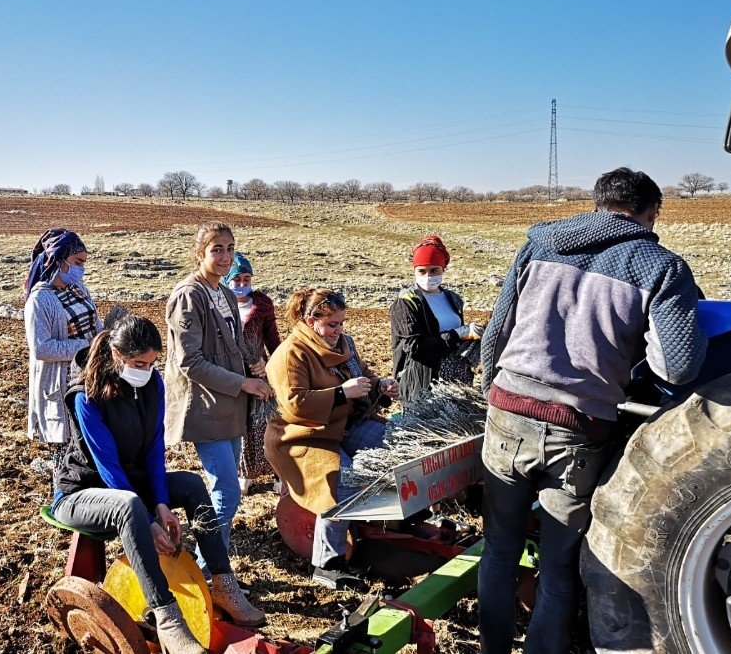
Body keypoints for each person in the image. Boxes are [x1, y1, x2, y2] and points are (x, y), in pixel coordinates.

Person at [477, 167, 707, 654]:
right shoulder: (660, 266)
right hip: (575, 431)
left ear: (598, 202)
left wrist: (490, 394)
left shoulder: (539, 244)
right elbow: (680, 367)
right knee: (558, 567)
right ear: (652, 213)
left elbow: (497, 331)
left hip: (506, 414)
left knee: (499, 549)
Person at [52, 315, 265, 654]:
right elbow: (108, 466)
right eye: (139, 363)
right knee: (127, 504)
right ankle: (167, 617)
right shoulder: (86, 394)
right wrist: (149, 520)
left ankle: (223, 583)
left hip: (132, 484)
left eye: (152, 363)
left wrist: (162, 502)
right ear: (116, 353)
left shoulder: (152, 385)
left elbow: (154, 448)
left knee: (192, 485)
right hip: (83, 491)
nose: (146, 370)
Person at [264, 288, 399, 590]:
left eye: (341, 323)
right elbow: (294, 404)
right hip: (301, 436)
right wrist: (341, 393)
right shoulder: (291, 353)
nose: (339, 331)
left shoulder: (344, 344)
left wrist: (380, 386)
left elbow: (361, 374)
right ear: (311, 321)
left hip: (343, 425)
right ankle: (327, 562)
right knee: (343, 477)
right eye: (332, 325)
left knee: (396, 443)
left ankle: (386, 521)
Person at [164, 222, 271, 571]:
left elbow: (234, 342)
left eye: (230, 248)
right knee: (227, 491)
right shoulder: (188, 295)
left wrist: (253, 362)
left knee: (223, 489)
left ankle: (216, 567)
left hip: (230, 407)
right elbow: (190, 362)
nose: (226, 257)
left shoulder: (223, 293)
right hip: (206, 407)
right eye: (217, 249)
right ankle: (203, 568)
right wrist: (242, 383)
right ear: (200, 254)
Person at [24, 229, 101, 447]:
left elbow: (95, 323)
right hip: (61, 386)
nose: (81, 269)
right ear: (58, 259)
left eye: (83, 263)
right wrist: (86, 346)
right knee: (67, 457)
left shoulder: (79, 289)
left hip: (88, 380)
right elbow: (41, 349)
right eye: (77, 262)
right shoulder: (40, 300)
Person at [390, 235, 482, 403]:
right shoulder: (407, 302)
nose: (428, 276)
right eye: (422, 271)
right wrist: (457, 334)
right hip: (423, 380)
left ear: (443, 269)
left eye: (434, 270)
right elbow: (415, 347)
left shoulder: (453, 299)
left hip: (455, 376)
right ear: (414, 270)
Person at [225, 252, 281, 494]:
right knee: (241, 424)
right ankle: (244, 473)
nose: (242, 285)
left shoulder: (262, 304)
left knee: (265, 423)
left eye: (246, 279)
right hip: (232, 374)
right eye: (237, 280)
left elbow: (272, 340)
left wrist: (269, 366)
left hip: (259, 373)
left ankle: (278, 471)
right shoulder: (221, 303)